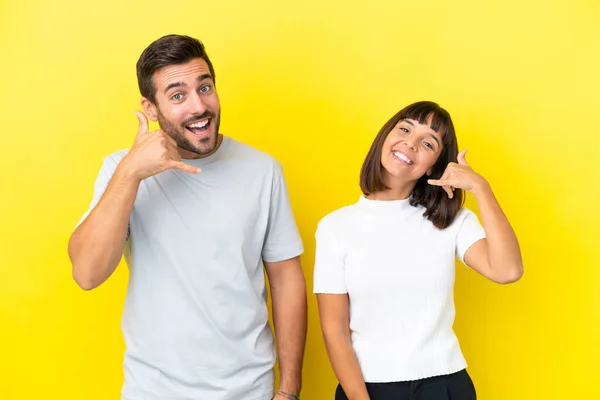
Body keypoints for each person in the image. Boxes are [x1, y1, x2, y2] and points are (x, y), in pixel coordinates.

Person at [68, 34, 307, 400]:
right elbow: (87, 273)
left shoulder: (263, 171)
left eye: (205, 87)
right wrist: (132, 172)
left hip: (250, 390)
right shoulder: (121, 170)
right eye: (178, 95)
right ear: (150, 108)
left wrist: (289, 389)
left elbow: (287, 280)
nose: (199, 106)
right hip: (154, 390)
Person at [313, 101, 523, 400]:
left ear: (435, 166)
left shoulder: (450, 222)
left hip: (445, 385)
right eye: (405, 129)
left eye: (427, 142)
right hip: (368, 388)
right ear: (386, 136)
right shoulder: (335, 227)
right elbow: (334, 330)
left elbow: (507, 270)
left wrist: (481, 188)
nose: (410, 143)